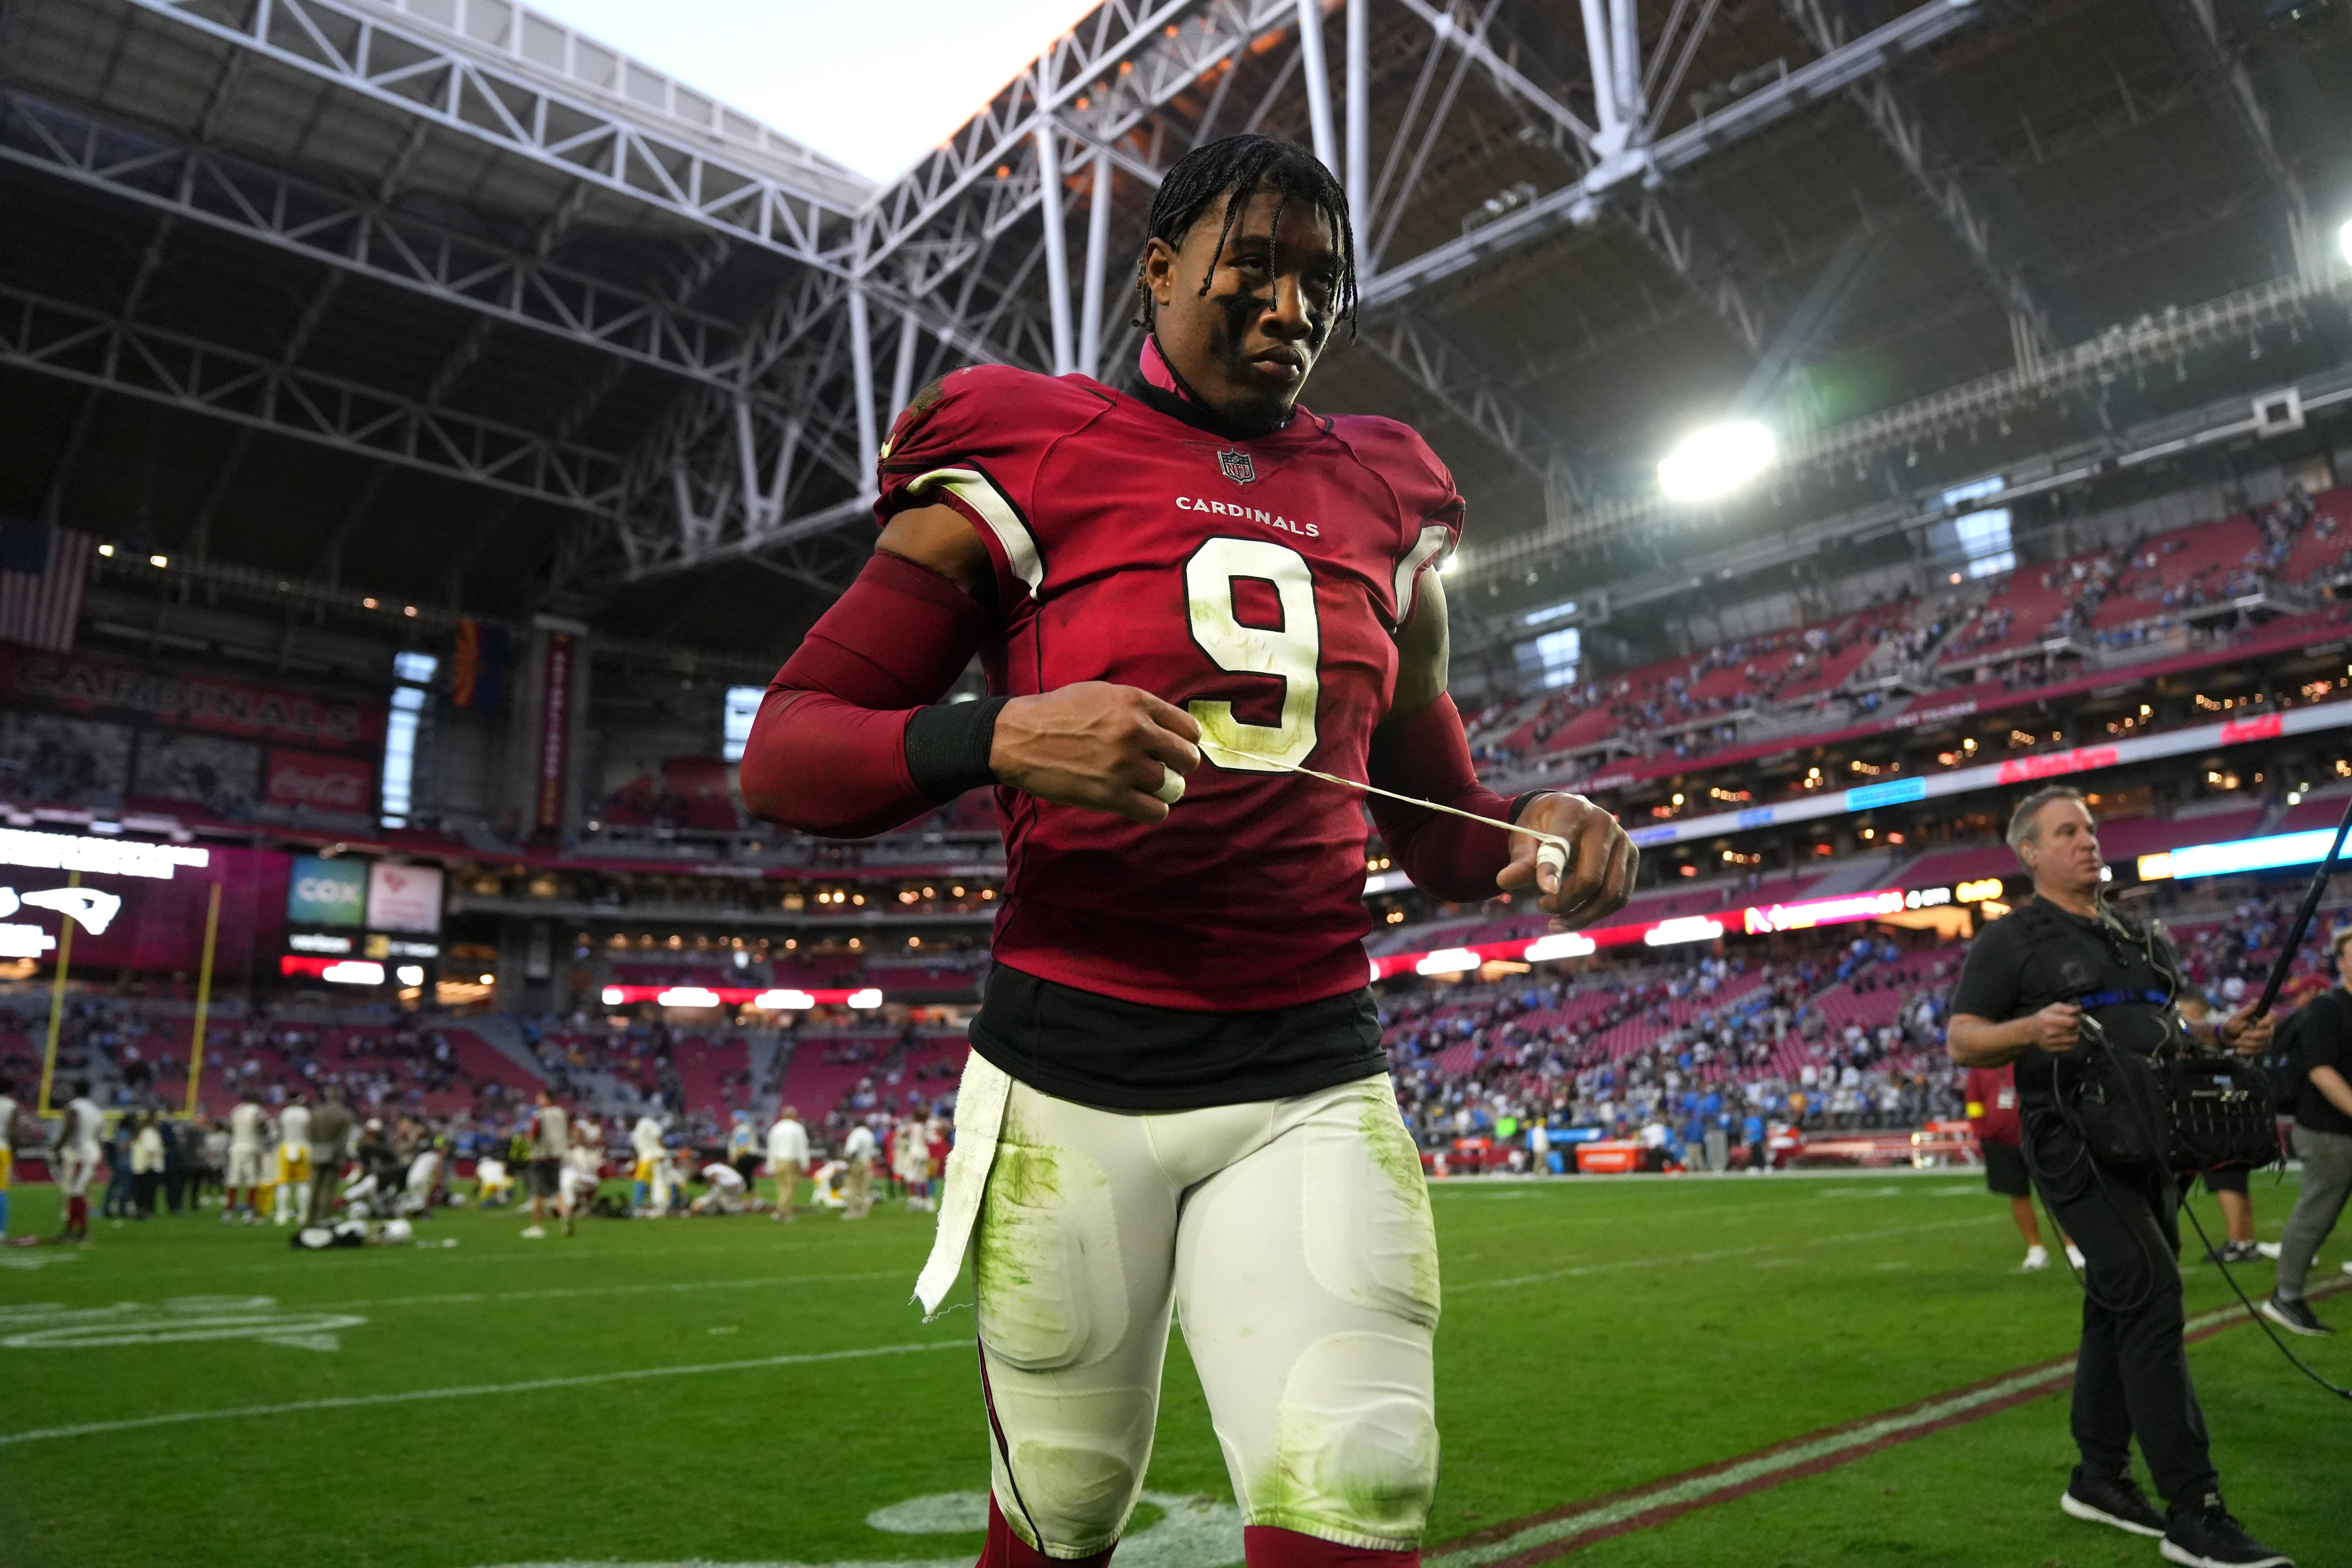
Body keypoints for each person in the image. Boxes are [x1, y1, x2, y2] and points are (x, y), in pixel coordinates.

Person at [739, 132, 1637, 1568]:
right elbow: (789, 748)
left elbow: (1430, 812)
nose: (1291, 308)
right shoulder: (1026, 443)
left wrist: (1536, 833)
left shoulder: (1390, 491)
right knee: (1065, 1512)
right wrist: (1000, 732)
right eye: (1257, 266)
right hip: (1069, 1074)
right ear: (1159, 269)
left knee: (1366, 1477)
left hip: (1308, 1072)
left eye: (1321, 283)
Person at [1947, 786, 2289, 1567]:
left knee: (2118, 1300)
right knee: (2152, 1292)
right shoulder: (2011, 940)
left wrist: (2222, 1035)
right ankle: (2194, 1510)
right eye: (2067, 832)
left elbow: (2167, 1033)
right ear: (2029, 852)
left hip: (2154, 1141)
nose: (2088, 842)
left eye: (2092, 829)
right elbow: (1965, 1040)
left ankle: (2098, 1476)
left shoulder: (2139, 940)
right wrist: (2030, 1029)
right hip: (2074, 1143)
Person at [2263, 925, 2352, 1335]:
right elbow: (2321, 1070)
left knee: (2320, 1210)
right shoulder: (2328, 1009)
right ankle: (2287, 1296)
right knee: (2318, 1213)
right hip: (2328, 1130)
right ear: (2341, 962)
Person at [1963, 1061, 2081, 1271]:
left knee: (2059, 1193)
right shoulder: (1982, 1067)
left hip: (2040, 1137)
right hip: (2001, 1141)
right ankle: (2035, 1248)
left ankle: (2073, 1246)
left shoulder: (2029, 1059)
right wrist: (1982, 1130)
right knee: (2018, 1194)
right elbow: (1974, 1100)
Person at [51, 1079, 104, 1242]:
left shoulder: (74, 1107)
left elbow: (69, 1128)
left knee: (75, 1192)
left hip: (80, 1154)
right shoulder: (96, 1110)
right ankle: (75, 1230)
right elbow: (99, 1135)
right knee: (78, 1192)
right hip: (92, 1152)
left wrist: (56, 1148)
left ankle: (80, 1231)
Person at [522, 1089, 572, 1239]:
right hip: (557, 1156)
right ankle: (566, 1218)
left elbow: (534, 1133)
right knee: (557, 1191)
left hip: (541, 1156)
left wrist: (527, 1139)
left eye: (540, 1096)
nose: (537, 1099)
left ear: (546, 1099)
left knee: (537, 1193)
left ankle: (538, 1227)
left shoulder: (539, 1115)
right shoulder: (562, 1113)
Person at [306, 1085, 356, 1226]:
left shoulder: (316, 1114)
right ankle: (323, 1218)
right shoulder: (345, 1115)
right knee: (328, 1189)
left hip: (317, 1153)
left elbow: (310, 1134)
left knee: (315, 1187)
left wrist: (317, 1148)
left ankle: (310, 1219)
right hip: (334, 1156)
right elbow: (343, 1140)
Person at [225, 1089, 269, 1224]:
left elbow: (229, 1128)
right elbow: (263, 1128)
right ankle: (250, 1211)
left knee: (234, 1179)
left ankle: (229, 1211)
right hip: (252, 1147)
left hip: (236, 1147)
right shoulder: (257, 1110)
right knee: (252, 1180)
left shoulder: (236, 1110)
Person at [274, 1093, 314, 1228]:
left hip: (286, 1147)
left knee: (284, 1183)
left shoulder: (285, 1113)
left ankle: (281, 1215)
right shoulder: (305, 1114)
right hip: (303, 1148)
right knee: (302, 1183)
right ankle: (303, 1214)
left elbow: (279, 1130)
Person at [766, 1104, 808, 1224]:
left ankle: (786, 1212)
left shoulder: (776, 1128)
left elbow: (772, 1148)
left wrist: (771, 1165)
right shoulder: (797, 1128)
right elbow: (802, 1147)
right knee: (791, 1187)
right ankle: (781, 1210)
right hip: (791, 1160)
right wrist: (805, 1163)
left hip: (778, 1160)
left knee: (782, 1187)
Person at [839, 1119, 876, 1222]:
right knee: (863, 1188)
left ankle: (853, 1212)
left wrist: (848, 1164)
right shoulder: (869, 1134)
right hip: (867, 1161)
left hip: (857, 1162)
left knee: (852, 1187)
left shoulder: (856, 1134)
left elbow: (852, 1150)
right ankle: (863, 1212)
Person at [629, 1111, 665, 1212]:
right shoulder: (634, 1132)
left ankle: (638, 1204)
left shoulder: (645, 1123)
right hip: (644, 1158)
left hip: (653, 1156)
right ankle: (645, 1203)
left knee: (642, 1180)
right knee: (650, 1181)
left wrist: (662, 1150)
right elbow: (638, 1149)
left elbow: (658, 1134)